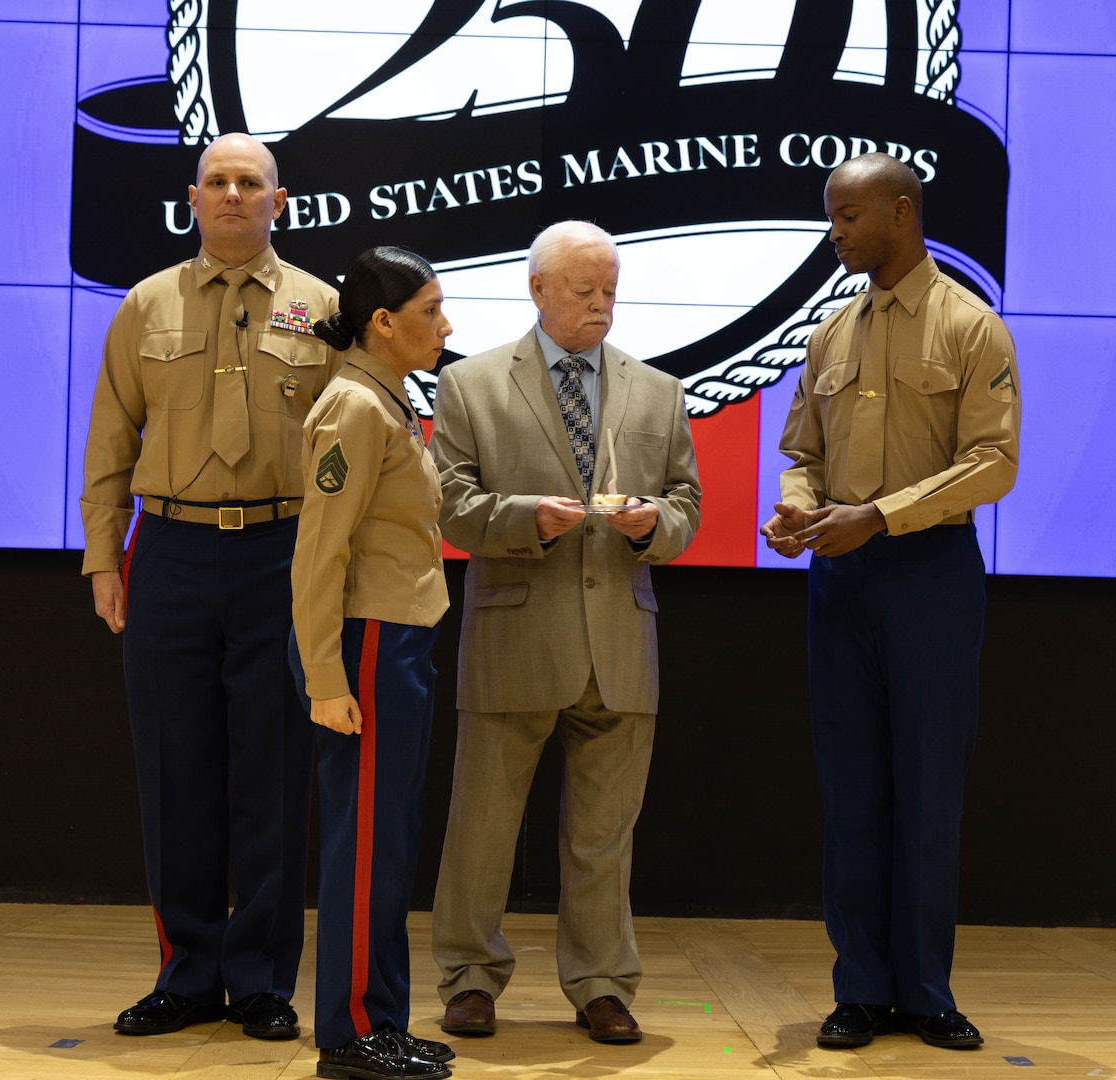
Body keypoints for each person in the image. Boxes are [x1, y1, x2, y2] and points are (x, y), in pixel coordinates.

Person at [81, 132, 341, 1039]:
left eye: (251, 182)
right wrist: (103, 558)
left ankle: (262, 979)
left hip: (283, 554)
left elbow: (353, 451)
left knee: (271, 773)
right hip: (173, 555)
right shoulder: (146, 305)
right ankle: (188, 973)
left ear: (281, 199)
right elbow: (111, 437)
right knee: (174, 769)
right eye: (218, 182)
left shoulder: (324, 310)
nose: (234, 194)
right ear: (192, 199)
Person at [759, 152, 1021, 1051]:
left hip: (930, 578)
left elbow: (995, 465)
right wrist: (797, 508)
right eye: (833, 217)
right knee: (853, 788)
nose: (835, 234)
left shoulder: (971, 327)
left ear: (901, 214)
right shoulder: (829, 335)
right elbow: (802, 452)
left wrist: (880, 515)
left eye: (847, 218)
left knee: (928, 788)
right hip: (841, 580)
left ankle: (925, 991)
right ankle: (861, 989)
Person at [428, 220, 702, 1044]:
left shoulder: (658, 390)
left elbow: (687, 505)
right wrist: (526, 520)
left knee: (603, 836)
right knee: (481, 828)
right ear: (537, 288)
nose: (600, 306)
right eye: (583, 291)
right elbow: (449, 505)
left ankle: (602, 984)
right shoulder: (470, 384)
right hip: (515, 634)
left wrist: (657, 524)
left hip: (620, 639)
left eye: (610, 291)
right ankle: (470, 977)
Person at [289, 247, 455, 1080]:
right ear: (383, 322)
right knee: (364, 847)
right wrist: (324, 680)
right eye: (431, 309)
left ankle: (382, 1015)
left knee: (388, 842)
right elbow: (317, 556)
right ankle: (353, 1034)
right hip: (369, 644)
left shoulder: (385, 400)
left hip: (401, 639)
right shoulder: (353, 408)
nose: (446, 325)